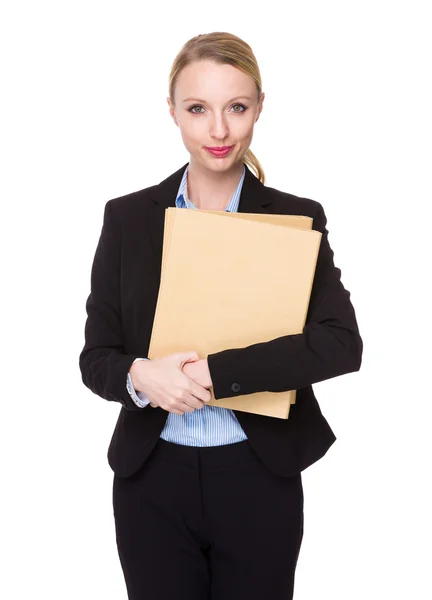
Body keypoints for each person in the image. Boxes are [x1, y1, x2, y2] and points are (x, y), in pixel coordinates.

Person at [79, 31, 363, 600]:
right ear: (172, 112)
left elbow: (340, 344)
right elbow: (96, 358)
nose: (218, 130)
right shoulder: (129, 218)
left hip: (257, 475)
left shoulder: (296, 218)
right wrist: (140, 375)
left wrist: (218, 372)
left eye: (236, 108)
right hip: (151, 479)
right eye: (197, 109)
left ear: (259, 106)